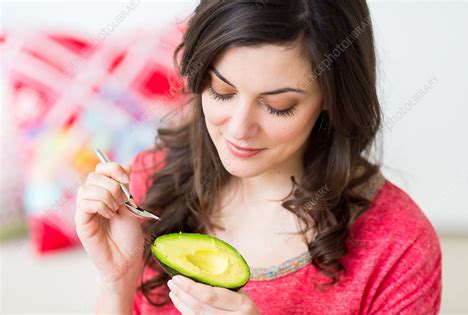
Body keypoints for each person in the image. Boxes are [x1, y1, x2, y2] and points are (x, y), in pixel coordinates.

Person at [75, 1, 442, 314]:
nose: (238, 129)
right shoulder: (146, 181)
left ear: (332, 97)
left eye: (278, 106)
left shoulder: (398, 247)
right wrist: (116, 283)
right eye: (221, 92)